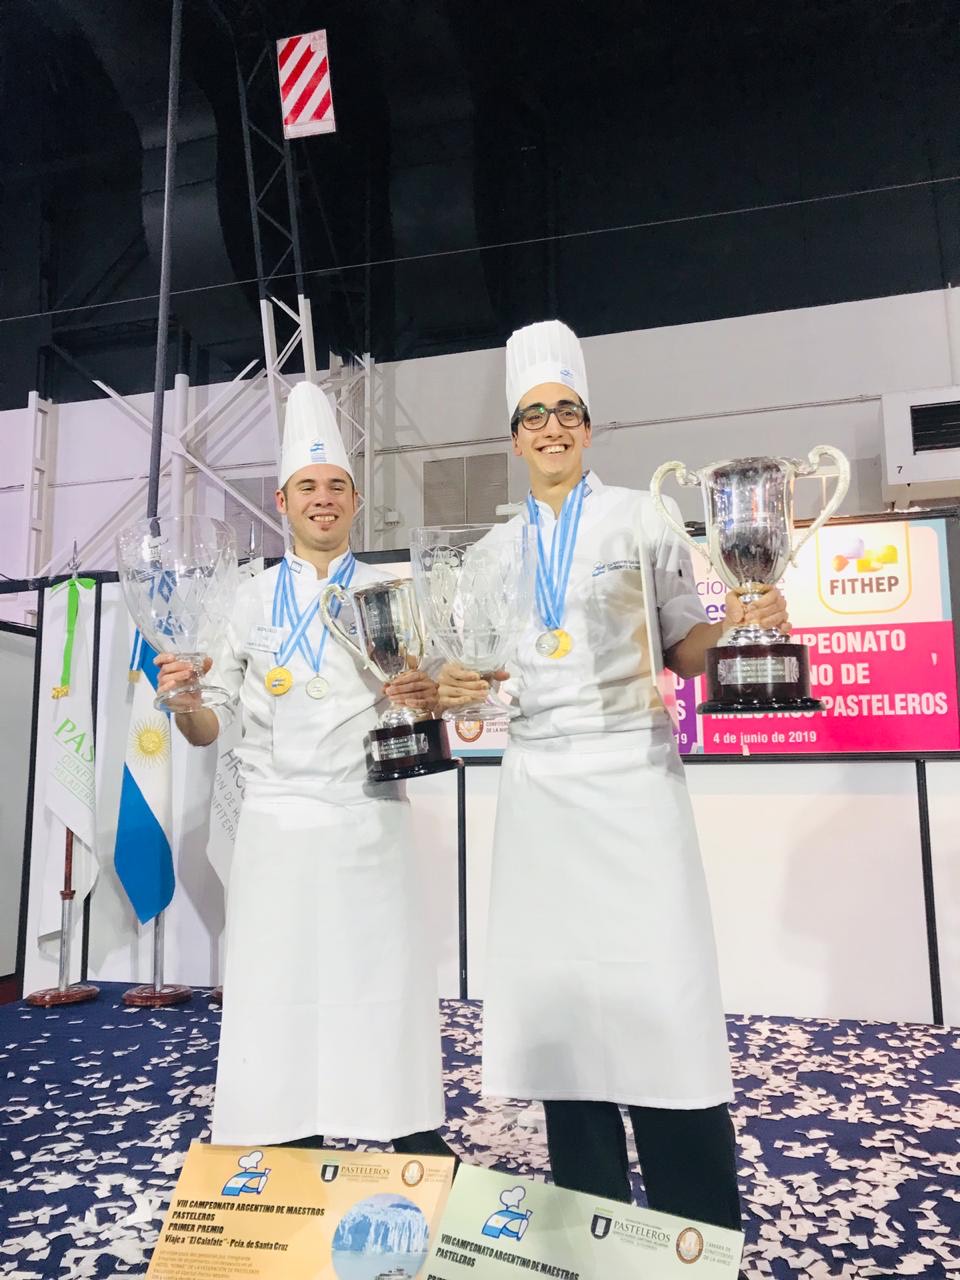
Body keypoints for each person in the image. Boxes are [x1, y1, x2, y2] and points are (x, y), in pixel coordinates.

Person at [438, 320, 792, 1228]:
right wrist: (454, 685)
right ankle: (593, 1235)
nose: (552, 427)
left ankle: (698, 1236)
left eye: (567, 411)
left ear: (589, 427)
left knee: (663, 1009)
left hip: (635, 781)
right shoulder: (488, 556)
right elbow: (474, 673)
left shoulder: (645, 516)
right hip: (539, 795)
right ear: (515, 439)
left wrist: (743, 618)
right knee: (569, 1027)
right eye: (534, 415)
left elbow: (685, 650)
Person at [157, 380, 453, 1158]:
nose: (323, 500)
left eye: (336, 487)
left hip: (367, 816)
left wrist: (425, 697)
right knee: (278, 992)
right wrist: (183, 704)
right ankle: (286, 1141)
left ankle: (409, 1135)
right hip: (277, 825)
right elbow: (210, 725)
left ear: (355, 501)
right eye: (307, 487)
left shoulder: (393, 594)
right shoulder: (245, 601)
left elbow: (425, 702)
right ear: (282, 502)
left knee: (381, 985)